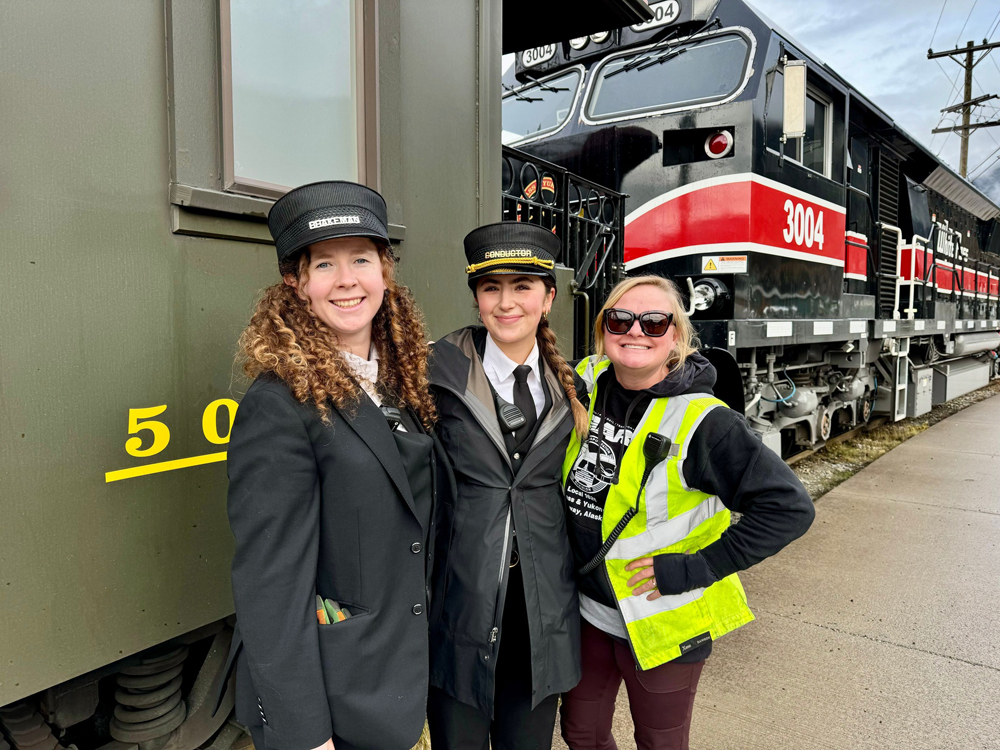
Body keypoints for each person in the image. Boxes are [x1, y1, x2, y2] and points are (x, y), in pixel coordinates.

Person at [221, 181, 445, 750]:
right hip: (336, 703)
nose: (347, 279)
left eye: (362, 259)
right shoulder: (276, 404)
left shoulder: (401, 382)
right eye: (324, 264)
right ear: (297, 286)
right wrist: (303, 734)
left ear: (385, 273)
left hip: (396, 678)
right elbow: (270, 588)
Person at [559, 275, 815, 750]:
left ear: (675, 336)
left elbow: (789, 509)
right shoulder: (587, 382)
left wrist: (694, 569)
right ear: (603, 328)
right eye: (620, 318)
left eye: (654, 322)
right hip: (588, 611)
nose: (636, 331)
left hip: (664, 616)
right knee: (581, 733)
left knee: (660, 743)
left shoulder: (705, 422)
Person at [426, 222, 590, 750]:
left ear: (548, 297)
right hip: (462, 604)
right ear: (477, 300)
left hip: (541, 614)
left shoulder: (574, 388)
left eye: (522, 286)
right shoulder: (437, 374)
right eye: (491, 288)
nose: (506, 302)